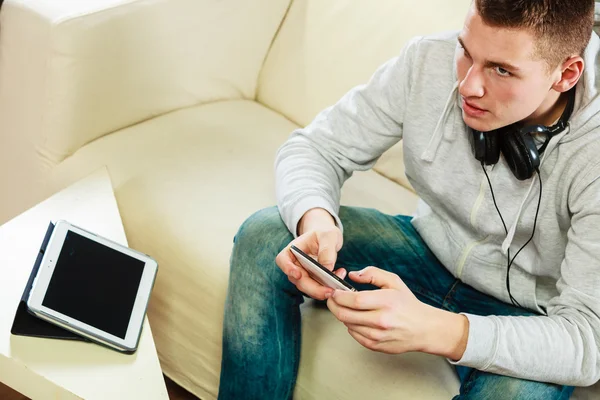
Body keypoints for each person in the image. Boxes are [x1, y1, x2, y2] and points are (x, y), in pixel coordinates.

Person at [218, 0, 600, 398]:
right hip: (428, 252)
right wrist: (316, 221)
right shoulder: (427, 60)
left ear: (566, 74)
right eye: (466, 51)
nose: (468, 84)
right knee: (265, 235)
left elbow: (587, 340)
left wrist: (440, 330)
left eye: (502, 69)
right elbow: (314, 148)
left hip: (529, 310)